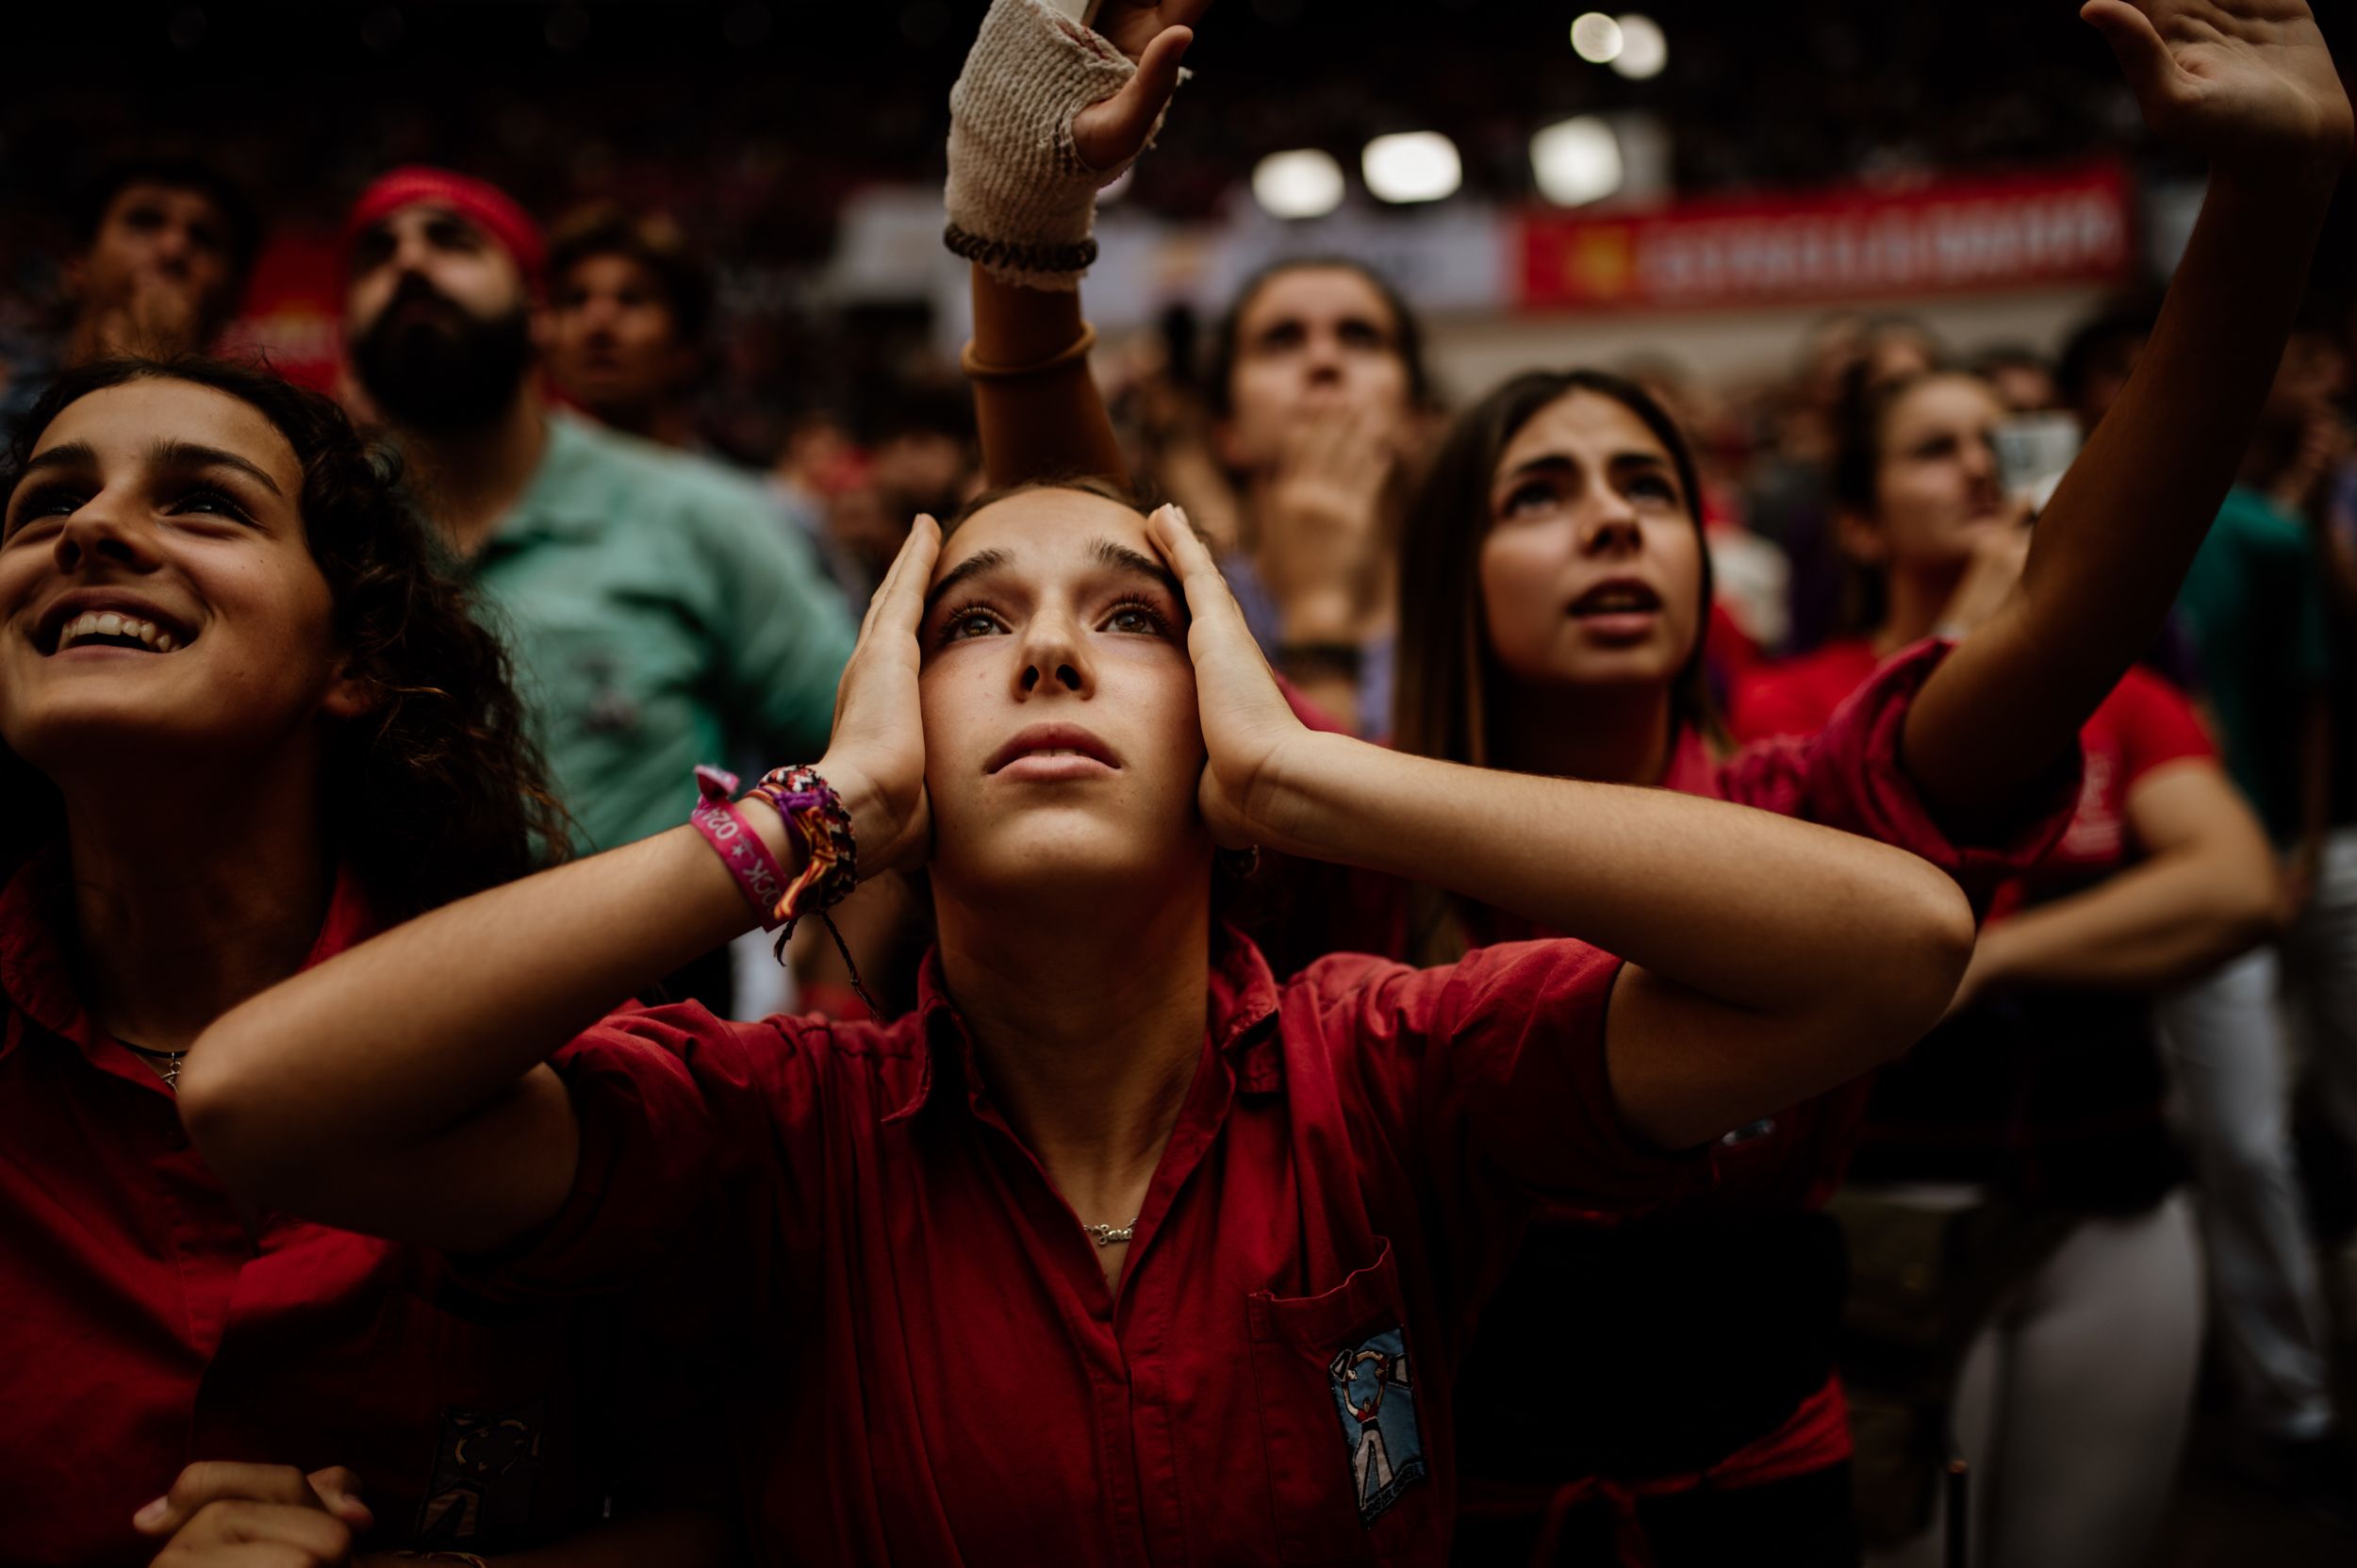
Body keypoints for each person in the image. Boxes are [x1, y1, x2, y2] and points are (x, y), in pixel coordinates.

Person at [948, 0, 2354, 1559]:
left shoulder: (1797, 816)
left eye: (1647, 490)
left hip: (1765, 1502)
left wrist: (2270, 193)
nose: (1612, 522)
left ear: (1708, 557)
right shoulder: (1351, 822)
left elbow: (2074, 599)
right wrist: (1025, 237)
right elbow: (1084, 536)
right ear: (1453, 570)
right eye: (1539, 494)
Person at [0, 356, 725, 1566]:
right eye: (42, 504)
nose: (89, 528)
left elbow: (735, 1517)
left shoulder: (563, 1064)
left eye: (204, 503)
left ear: (356, 661)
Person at [1732, 360, 2280, 1566]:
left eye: (1994, 437)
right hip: (1883, 1202)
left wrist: (1987, 957)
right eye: (1934, 449)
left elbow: (2234, 883)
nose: (1981, 465)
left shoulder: (2124, 699)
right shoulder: (1782, 700)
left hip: (2112, 1191)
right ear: (1860, 523)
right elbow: (1804, 926)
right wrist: (1966, 650)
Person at [338, 166, 856, 1009]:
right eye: (376, 253)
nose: (411, 263)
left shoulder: (701, 516)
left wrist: (833, 992)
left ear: (534, 313)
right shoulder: (322, 531)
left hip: (649, 1027)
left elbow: (856, 750)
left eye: (452, 241)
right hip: (371, 1021)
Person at [2151, 313, 2357, 1521]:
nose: (2321, 373)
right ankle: (2290, 1404)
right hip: (2205, 868)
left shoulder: (2277, 526)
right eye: (2294, 353)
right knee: (2241, 1141)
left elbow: (2313, 694)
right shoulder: (2172, 519)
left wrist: (2290, 847)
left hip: (2312, 850)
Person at [1196, 256, 1434, 735]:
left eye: (1361, 337)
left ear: (1414, 419)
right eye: (1281, 340)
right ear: (1229, 432)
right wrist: (1318, 609)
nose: (1324, 362)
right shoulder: (1188, 611)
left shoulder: (1474, 610)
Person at [0, 154, 260, 444]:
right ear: (78, 264)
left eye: (203, 237)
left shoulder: (250, 433)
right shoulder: (6, 387)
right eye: (145, 221)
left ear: (232, 297)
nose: (173, 248)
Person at [540, 204, 716, 452]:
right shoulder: (503, 487)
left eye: (631, 300)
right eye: (576, 300)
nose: (597, 324)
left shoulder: (737, 489)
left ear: (684, 347)